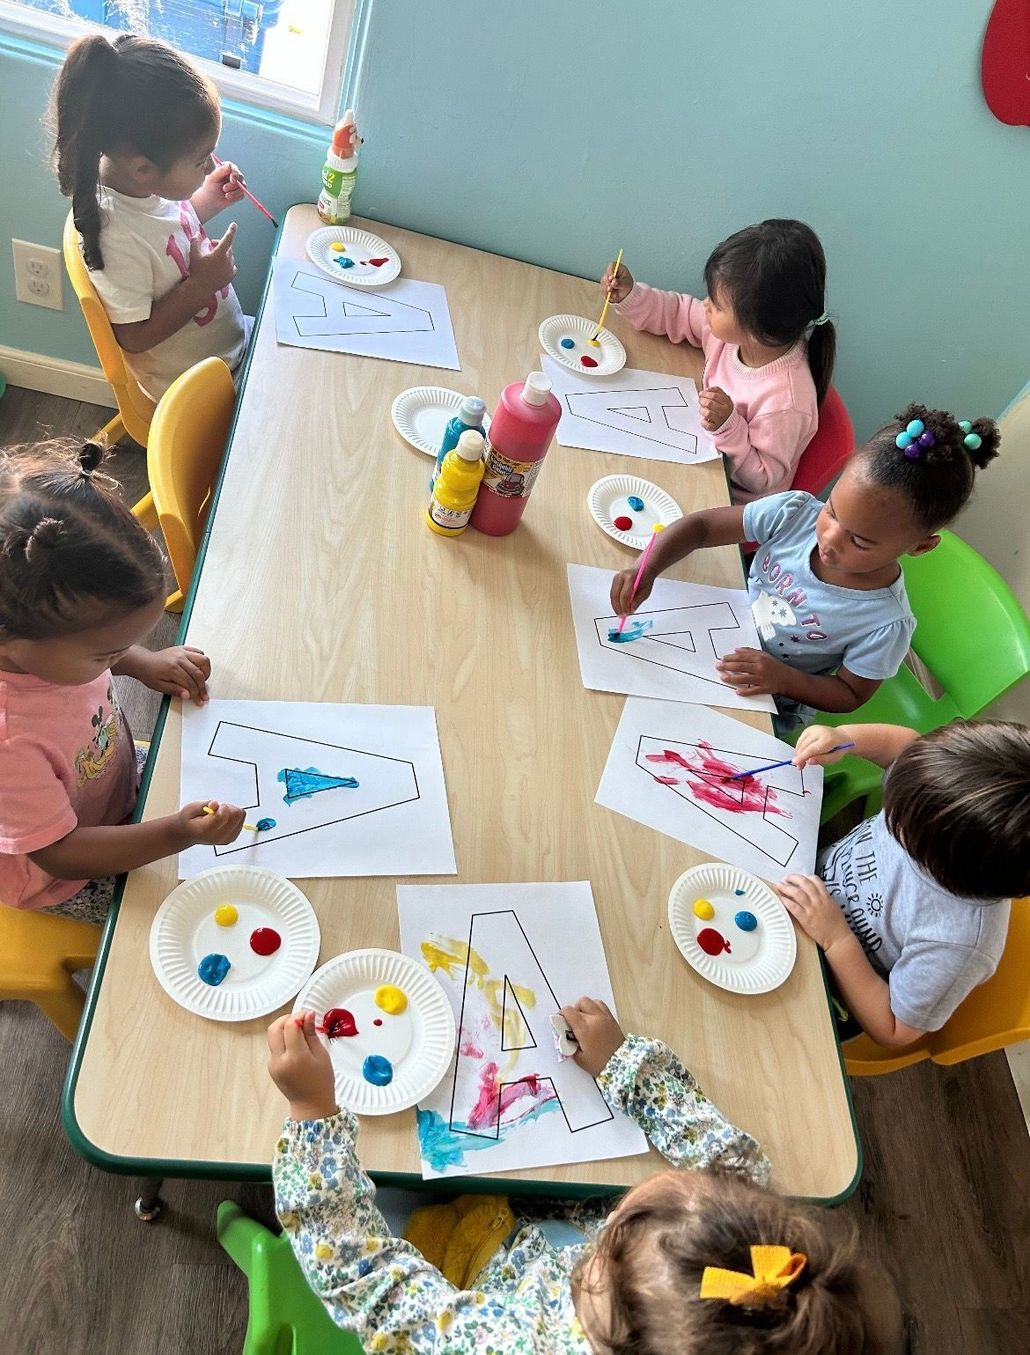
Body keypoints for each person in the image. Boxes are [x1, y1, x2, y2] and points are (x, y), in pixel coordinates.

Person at [268, 1000, 902, 1354]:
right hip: (537, 1213)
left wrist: (315, 1117)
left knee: (398, 1177)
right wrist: (625, 1062)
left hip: (468, 1260)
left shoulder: (509, 1346)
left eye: (609, 1246)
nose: (604, 1237)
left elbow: (366, 1279)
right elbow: (734, 1164)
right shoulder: (749, 1260)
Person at [610, 403, 1000, 733]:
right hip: (719, 626)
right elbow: (703, 526)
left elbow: (848, 695)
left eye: (860, 541)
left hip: (772, 696)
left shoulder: (884, 623)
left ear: (920, 546)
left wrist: (781, 678)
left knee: (667, 731)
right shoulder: (794, 513)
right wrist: (647, 566)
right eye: (832, 511)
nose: (829, 538)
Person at [0, 440, 244, 921]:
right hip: (66, 874)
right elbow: (58, 852)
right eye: (105, 653)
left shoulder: (45, 647)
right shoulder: (9, 743)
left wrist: (139, 662)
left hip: (111, 781)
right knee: (195, 912)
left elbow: (90, 654)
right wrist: (176, 834)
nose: (115, 657)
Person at [781, 719, 1030, 1046]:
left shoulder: (958, 944)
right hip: (802, 886)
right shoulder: (936, 793)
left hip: (833, 986)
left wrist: (837, 939)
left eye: (901, 824)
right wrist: (843, 738)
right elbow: (903, 744)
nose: (891, 809)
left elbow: (893, 1029)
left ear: (941, 863)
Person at [51, 33, 251, 401]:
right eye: (200, 160)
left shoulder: (144, 186)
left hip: (232, 352)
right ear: (144, 168)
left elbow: (168, 234)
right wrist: (201, 286)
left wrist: (210, 198)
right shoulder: (115, 234)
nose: (211, 165)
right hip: (195, 391)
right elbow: (135, 337)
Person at [602, 220, 835, 501]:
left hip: (730, 506)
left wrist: (729, 426)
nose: (705, 305)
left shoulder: (786, 401)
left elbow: (760, 479)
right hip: (699, 457)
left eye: (717, 304)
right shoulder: (730, 335)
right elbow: (679, 313)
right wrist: (631, 297)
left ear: (757, 330)